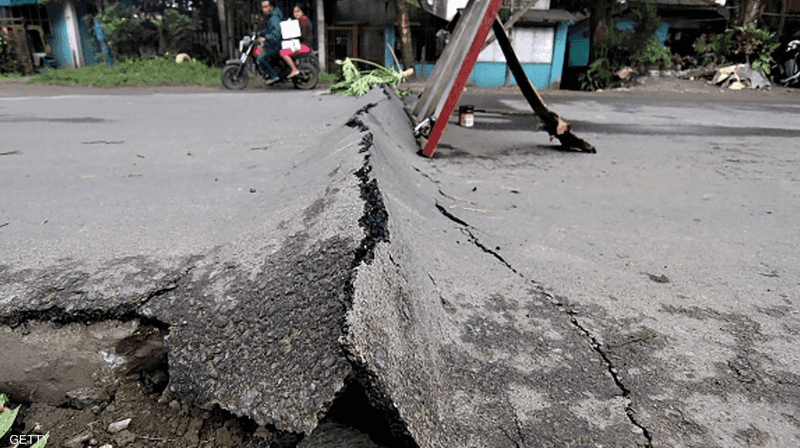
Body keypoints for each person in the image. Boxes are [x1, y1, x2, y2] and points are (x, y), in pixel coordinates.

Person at [279, 4, 313, 78]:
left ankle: (294, 69)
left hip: (304, 46)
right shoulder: (301, 20)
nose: (296, 13)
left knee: (283, 52)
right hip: (302, 45)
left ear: (302, 12)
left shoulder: (303, 21)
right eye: (294, 12)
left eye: (298, 11)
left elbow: (301, 35)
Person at [257, 0, 283, 85]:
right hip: (272, 43)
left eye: (265, 6)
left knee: (261, 59)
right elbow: (270, 29)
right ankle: (269, 74)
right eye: (263, 7)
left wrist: (266, 38)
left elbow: (276, 34)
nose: (264, 9)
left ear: (270, 7)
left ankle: (274, 75)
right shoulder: (270, 16)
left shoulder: (274, 18)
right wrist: (262, 33)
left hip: (275, 44)